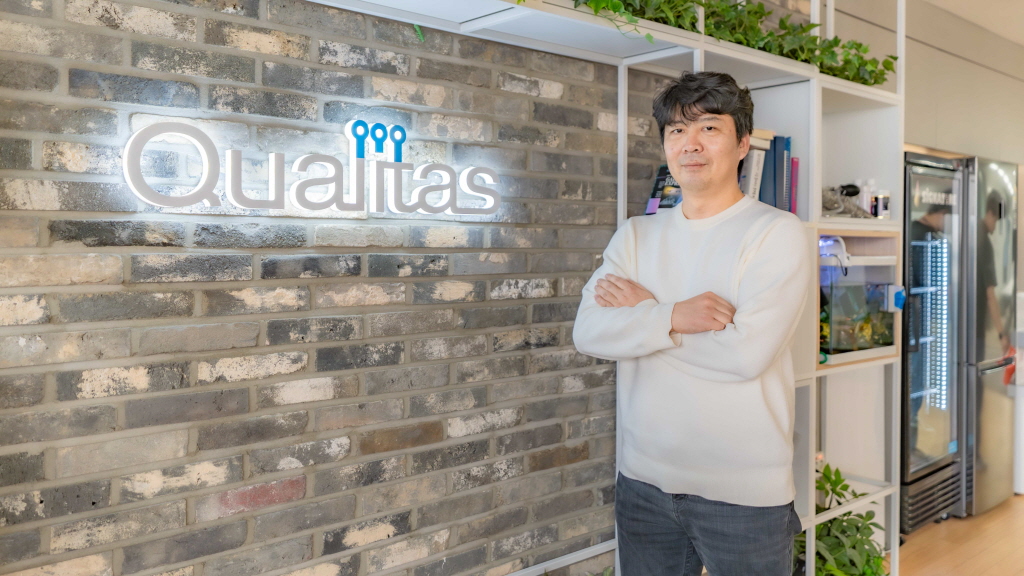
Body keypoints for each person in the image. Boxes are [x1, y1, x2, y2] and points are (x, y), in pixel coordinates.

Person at [572, 71, 812, 576]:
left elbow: (744, 356)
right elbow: (589, 332)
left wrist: (643, 316)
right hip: (643, 483)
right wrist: (673, 314)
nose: (691, 143)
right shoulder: (635, 235)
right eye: (677, 130)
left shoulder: (776, 233)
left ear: (743, 143)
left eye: (709, 128)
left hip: (743, 495)